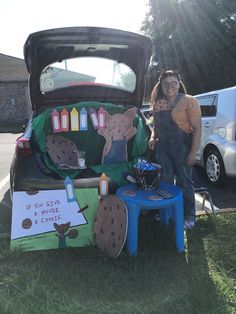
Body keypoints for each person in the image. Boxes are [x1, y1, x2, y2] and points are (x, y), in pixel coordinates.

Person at [148, 70, 201, 229]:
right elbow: (156, 126)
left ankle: (189, 216)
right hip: (162, 148)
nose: (169, 86)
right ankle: (166, 213)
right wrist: (152, 137)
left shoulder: (189, 101)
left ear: (179, 84)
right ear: (161, 86)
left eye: (173, 83)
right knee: (165, 181)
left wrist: (192, 153)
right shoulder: (158, 103)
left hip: (182, 148)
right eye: (166, 84)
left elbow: (197, 129)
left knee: (185, 182)